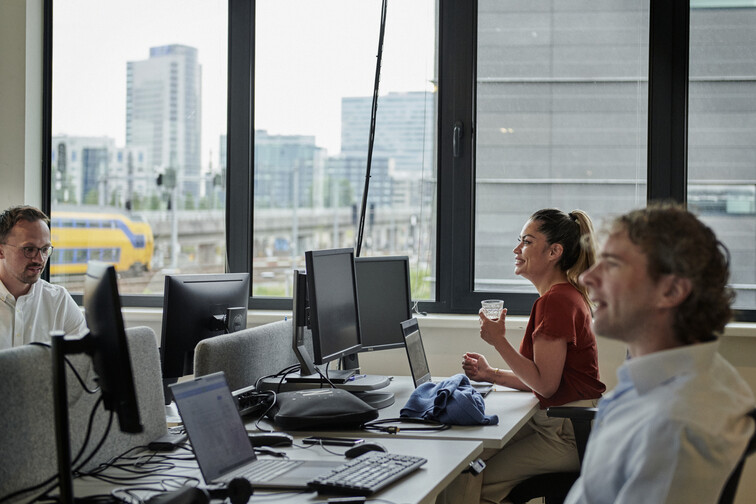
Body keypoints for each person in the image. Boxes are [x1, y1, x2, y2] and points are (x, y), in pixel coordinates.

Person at [563, 204, 754, 503]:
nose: (587, 277)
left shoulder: (675, 427)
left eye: (611, 264)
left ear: (671, 291)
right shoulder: (665, 382)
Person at [459, 208, 606, 503]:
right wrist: (491, 374)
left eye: (526, 241)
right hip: (566, 425)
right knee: (470, 461)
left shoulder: (556, 302)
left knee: (472, 478)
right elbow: (544, 377)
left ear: (554, 251)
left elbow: (546, 385)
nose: (517, 249)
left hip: (566, 434)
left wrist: (498, 341)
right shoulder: (562, 296)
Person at [0, 205, 87, 350]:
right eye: (29, 249)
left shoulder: (59, 300)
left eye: (45, 249)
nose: (39, 259)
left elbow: (85, 361)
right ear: (1, 251)